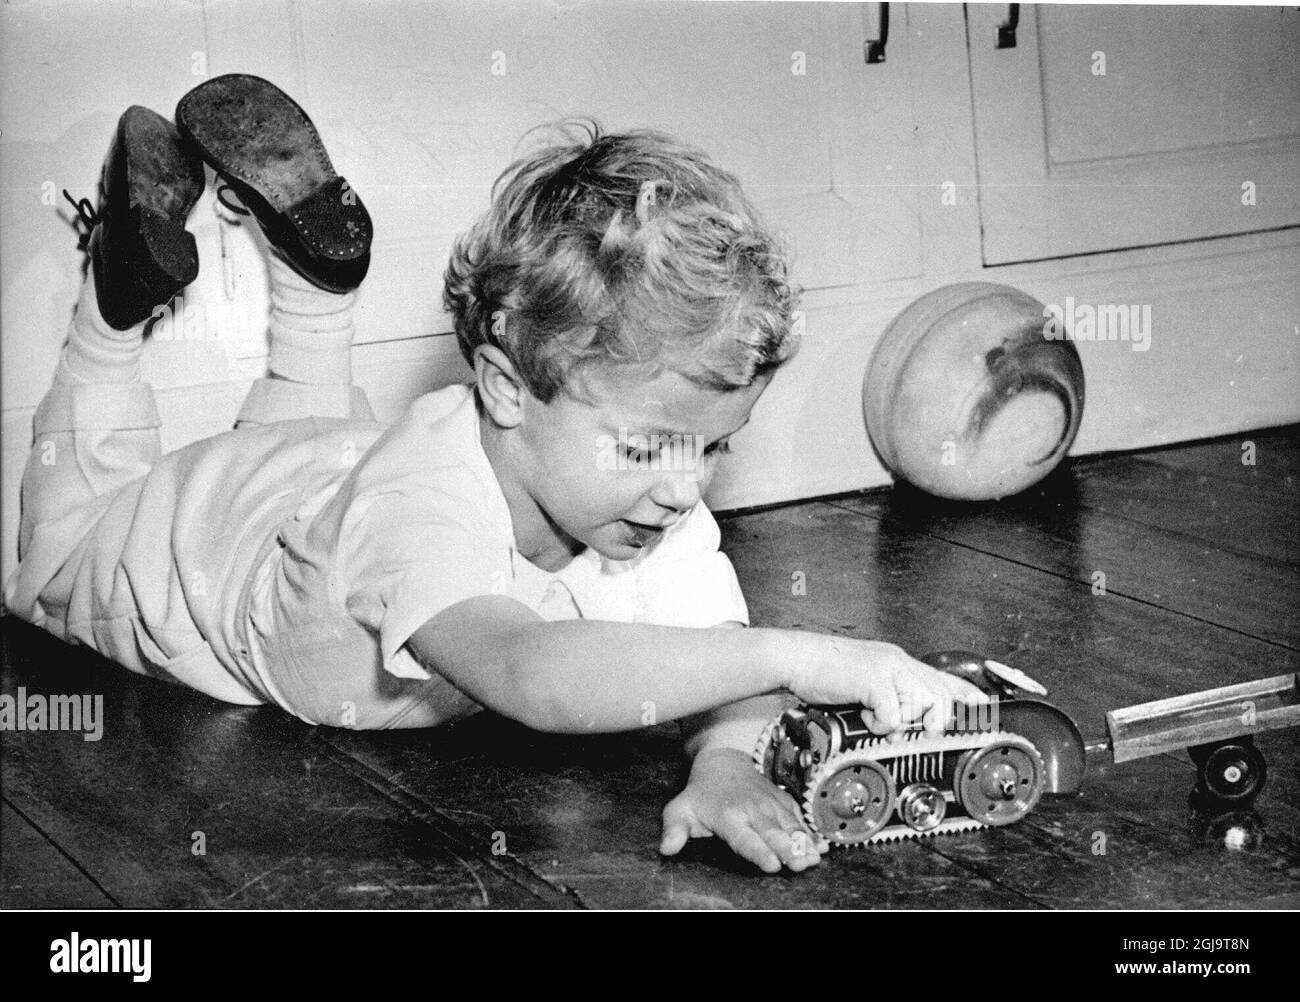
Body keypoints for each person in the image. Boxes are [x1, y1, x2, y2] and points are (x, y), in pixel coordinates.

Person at [4, 74, 986, 873]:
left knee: (319, 446)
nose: (688, 489)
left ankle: (313, 291)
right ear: (509, 390)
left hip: (325, 486)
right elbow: (530, 672)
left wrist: (727, 761)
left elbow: (711, 655)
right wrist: (801, 656)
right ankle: (111, 310)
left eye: (715, 446)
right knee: (55, 550)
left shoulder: (643, 502)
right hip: (199, 549)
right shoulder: (420, 513)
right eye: (651, 442)